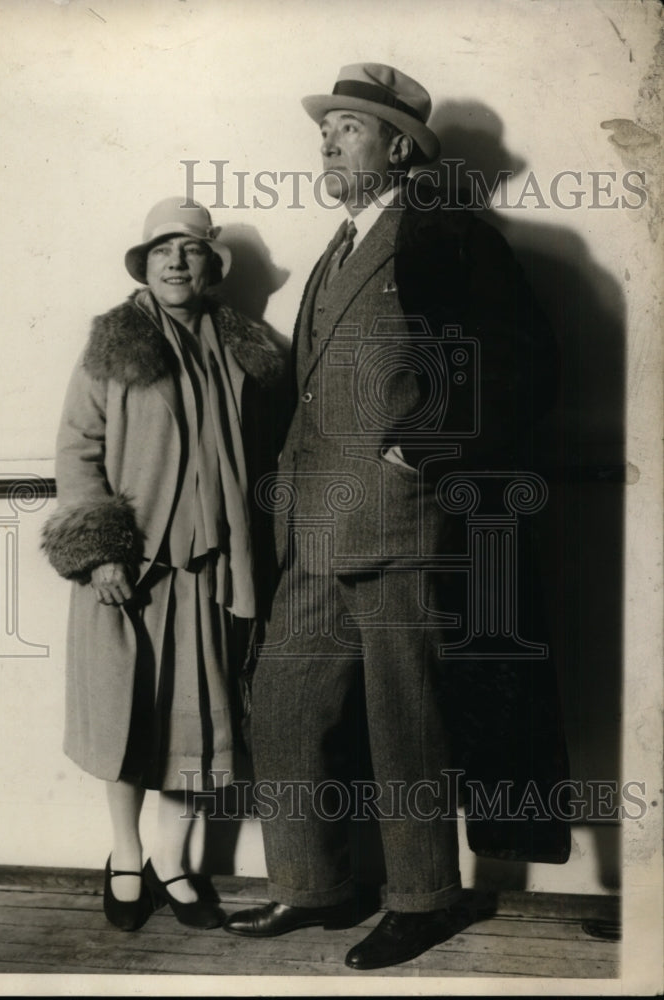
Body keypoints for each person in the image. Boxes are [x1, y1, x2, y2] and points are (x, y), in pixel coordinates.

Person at [223, 63, 566, 969]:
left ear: (400, 145)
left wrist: (423, 449)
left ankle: (423, 898)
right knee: (284, 706)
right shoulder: (338, 245)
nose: (328, 140)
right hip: (312, 529)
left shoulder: (448, 235)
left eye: (349, 127)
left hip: (403, 523)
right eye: (326, 127)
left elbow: (526, 362)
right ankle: (312, 886)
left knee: (404, 721)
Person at [42, 197, 283, 932]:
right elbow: (78, 449)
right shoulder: (114, 345)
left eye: (191, 250)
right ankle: (123, 858)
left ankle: (171, 864)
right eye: (161, 251)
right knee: (125, 721)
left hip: (211, 573)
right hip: (131, 574)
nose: (176, 261)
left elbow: (273, 451)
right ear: (143, 266)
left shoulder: (248, 348)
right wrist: (99, 553)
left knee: (196, 731)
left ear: (213, 267)